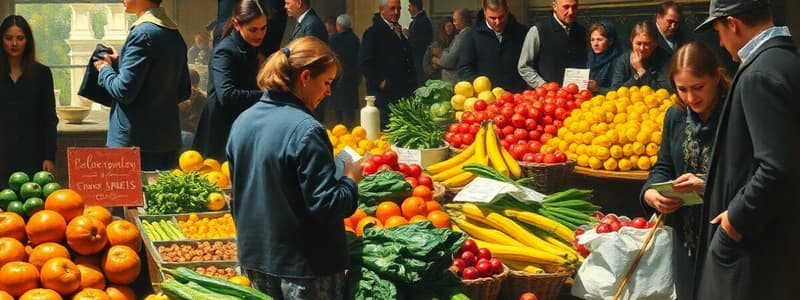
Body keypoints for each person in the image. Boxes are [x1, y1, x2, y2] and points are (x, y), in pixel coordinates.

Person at [227, 36, 361, 299]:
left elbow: (239, 195)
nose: (328, 92)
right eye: (327, 83)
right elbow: (327, 206)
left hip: (255, 261)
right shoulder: (307, 130)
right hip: (304, 268)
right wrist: (350, 179)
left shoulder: (242, 122)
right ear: (305, 77)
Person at [693, 0, 800, 298]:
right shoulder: (786, 59)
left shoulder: (759, 73)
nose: (721, 42)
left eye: (718, 31)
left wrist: (735, 221)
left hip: (755, 246)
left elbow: (778, 166)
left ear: (732, 24)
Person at [640, 41, 729, 300]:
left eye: (698, 88)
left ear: (716, 76)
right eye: (682, 90)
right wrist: (651, 195)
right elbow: (663, 166)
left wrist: (705, 183)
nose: (690, 98)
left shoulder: (733, 113)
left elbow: (749, 174)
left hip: (724, 232)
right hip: (685, 236)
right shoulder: (675, 117)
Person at [93, 0, 191, 171]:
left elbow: (123, 90)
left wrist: (104, 69)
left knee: (129, 197)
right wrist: (122, 60)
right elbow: (183, 91)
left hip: (133, 143)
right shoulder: (174, 34)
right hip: (167, 139)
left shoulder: (142, 34)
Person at [194, 0, 267, 161]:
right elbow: (227, 95)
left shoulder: (251, 47)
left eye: (263, 28)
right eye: (253, 29)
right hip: (220, 129)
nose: (259, 34)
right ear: (236, 23)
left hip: (241, 124)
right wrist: (268, 95)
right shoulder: (225, 51)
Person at [0, 15, 58, 185]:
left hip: (33, 153)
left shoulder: (42, 74)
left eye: (20, 38)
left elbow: (49, 119)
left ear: (28, 41)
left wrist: (49, 156)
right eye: (8, 38)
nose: (14, 44)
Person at [359, 0, 416, 129]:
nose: (396, 12)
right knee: (386, 131)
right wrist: (380, 81)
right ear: (382, 10)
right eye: (392, 8)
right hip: (384, 95)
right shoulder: (373, 32)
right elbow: (364, 62)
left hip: (401, 93)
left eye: (399, 9)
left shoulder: (397, 30)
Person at [458, 0, 527, 92]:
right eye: (492, 18)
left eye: (501, 17)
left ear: (507, 11)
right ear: (484, 12)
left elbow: (531, 64)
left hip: (517, 96)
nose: (497, 22)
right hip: (485, 98)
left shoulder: (522, 32)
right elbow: (464, 68)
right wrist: (480, 89)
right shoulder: (471, 35)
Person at [518, 0, 587, 89]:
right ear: (554, 6)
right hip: (545, 98)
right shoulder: (538, 30)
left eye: (574, 7)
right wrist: (542, 85)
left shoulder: (582, 31)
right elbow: (524, 66)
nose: (571, 12)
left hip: (576, 96)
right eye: (566, 7)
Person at [610, 21, 671, 91]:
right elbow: (615, 90)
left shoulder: (665, 58)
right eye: (638, 43)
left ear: (655, 43)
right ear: (631, 41)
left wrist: (641, 70)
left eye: (647, 44)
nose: (642, 48)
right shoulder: (624, 59)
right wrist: (637, 76)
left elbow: (665, 91)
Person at [327, 14, 360, 127]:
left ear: (339, 25)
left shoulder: (334, 40)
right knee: (350, 113)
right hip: (351, 80)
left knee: (338, 113)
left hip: (337, 79)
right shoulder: (355, 40)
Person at [586, 20, 622, 94]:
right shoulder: (589, 58)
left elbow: (620, 91)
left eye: (599, 39)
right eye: (592, 40)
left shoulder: (619, 61)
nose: (595, 44)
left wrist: (598, 89)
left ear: (610, 41)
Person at [438, 8, 471, 83]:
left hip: (458, 81)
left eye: (455, 20)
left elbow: (449, 61)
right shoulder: (467, 33)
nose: (454, 23)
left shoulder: (463, 36)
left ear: (463, 20)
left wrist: (441, 54)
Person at [179, 69, 207, 149]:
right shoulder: (204, 97)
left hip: (182, 140)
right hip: (199, 139)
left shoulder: (179, 97)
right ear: (198, 82)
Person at [407, 0, 432, 85]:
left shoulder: (422, 21)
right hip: (417, 58)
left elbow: (420, 42)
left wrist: (408, 36)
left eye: (409, 6)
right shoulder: (418, 20)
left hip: (420, 58)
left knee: (420, 81)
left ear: (415, 7)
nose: (408, 9)